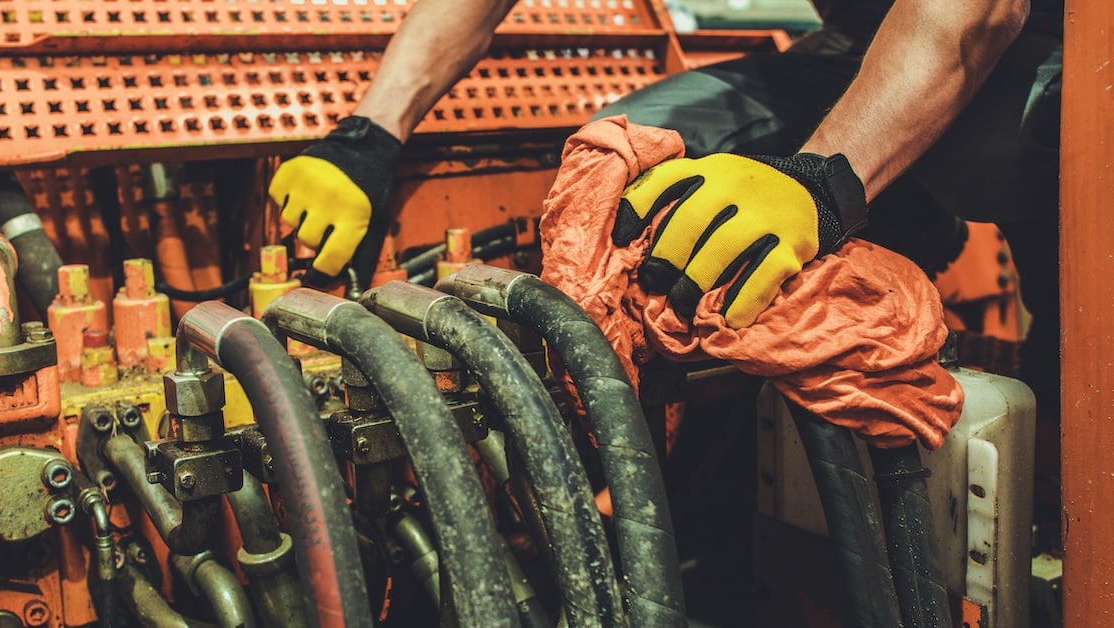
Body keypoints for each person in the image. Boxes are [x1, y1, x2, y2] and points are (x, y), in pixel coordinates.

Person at [269, 0, 1064, 591]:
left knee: (1022, 183)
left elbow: (976, 14)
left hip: (1044, 41)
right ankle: (698, 552)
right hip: (866, 39)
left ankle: (1065, 498)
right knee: (636, 178)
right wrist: (372, 133)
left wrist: (822, 177)